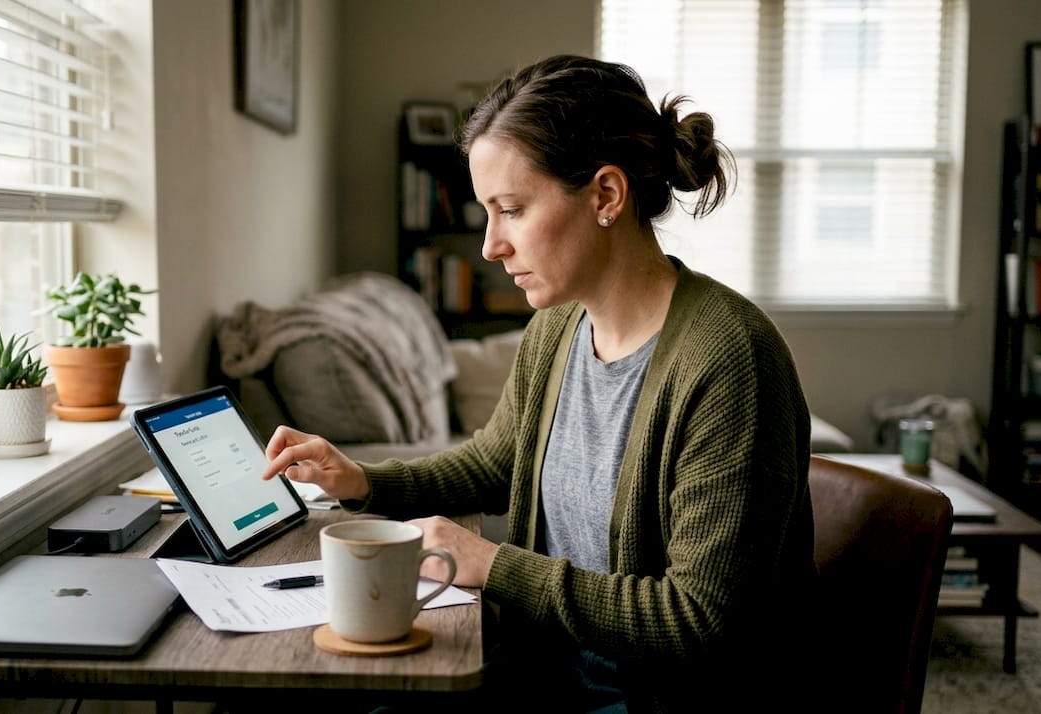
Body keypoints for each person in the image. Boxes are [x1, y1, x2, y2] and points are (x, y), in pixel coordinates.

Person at [261, 54, 816, 712]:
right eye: (488, 214)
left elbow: (697, 618)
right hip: (537, 673)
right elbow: (497, 462)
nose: (491, 245)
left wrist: (494, 565)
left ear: (606, 195)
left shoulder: (727, 361)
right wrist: (363, 481)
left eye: (512, 210)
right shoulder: (557, 328)